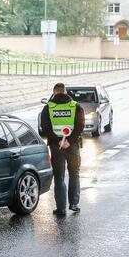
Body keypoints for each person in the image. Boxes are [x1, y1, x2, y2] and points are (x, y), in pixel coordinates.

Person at [40, 83, 85, 216]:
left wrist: (59, 141)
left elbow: (45, 127)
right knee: (74, 173)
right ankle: (74, 204)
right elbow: (80, 126)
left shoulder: (48, 108)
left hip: (56, 146)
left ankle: (61, 208)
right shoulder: (75, 106)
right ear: (65, 92)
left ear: (54, 93)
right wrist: (69, 141)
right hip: (73, 146)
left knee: (59, 176)